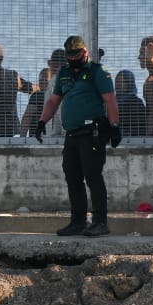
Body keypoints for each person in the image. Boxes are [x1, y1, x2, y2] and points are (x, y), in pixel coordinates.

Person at [36, 34, 121, 237]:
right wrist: (41, 122)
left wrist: (115, 126)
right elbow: (53, 101)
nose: (73, 59)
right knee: (72, 176)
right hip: (72, 134)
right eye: (70, 55)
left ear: (85, 53)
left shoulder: (97, 72)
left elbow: (110, 100)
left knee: (93, 176)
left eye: (76, 55)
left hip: (92, 133)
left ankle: (100, 222)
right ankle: (78, 222)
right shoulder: (64, 74)